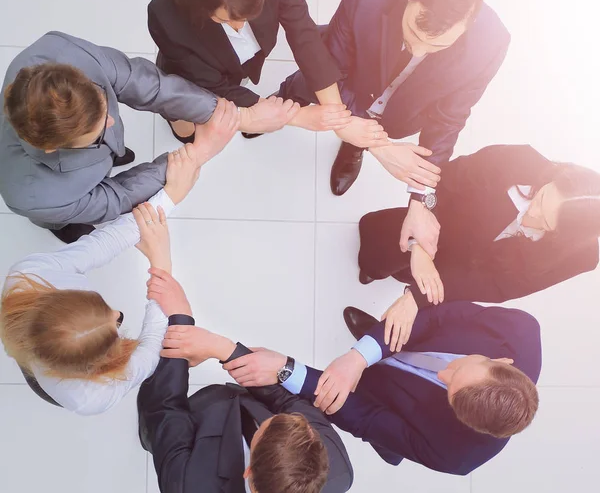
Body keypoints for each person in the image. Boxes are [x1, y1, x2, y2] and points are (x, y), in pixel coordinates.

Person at [0, 31, 297, 243]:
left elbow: (149, 86)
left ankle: (108, 151)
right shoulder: (37, 196)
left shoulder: (63, 53)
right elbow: (118, 196)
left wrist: (238, 116)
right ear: (53, 148)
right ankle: (60, 224)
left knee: (112, 146)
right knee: (61, 217)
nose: (114, 121)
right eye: (99, 130)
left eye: (105, 106)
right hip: (53, 202)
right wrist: (197, 154)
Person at [220, 301, 542, 476]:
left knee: (387, 437)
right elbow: (440, 316)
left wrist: (287, 369)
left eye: (450, 394)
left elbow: (367, 417)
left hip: (395, 417)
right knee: (378, 347)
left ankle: (393, 447)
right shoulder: (522, 330)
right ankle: (378, 345)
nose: (444, 374)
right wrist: (362, 355)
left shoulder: (454, 455)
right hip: (415, 342)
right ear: (502, 360)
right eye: (458, 367)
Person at [280, 0, 510, 201]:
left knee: (361, 132)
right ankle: (283, 98)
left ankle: (354, 146)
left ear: (468, 27)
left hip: (399, 111)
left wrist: (421, 196)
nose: (419, 51)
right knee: (304, 84)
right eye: (413, 33)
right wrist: (381, 147)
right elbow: (332, 68)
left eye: (437, 45)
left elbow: (448, 119)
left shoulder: (490, 46)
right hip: (349, 80)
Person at [0, 145, 200, 415]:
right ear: (103, 361)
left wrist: (170, 198)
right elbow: (151, 349)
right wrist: (162, 264)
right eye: (113, 329)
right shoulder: (92, 396)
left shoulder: (29, 277)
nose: (118, 314)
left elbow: (101, 244)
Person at [357, 144, 600, 350]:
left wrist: (418, 297)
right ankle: (377, 267)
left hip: (464, 273)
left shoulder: (581, 257)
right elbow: (444, 180)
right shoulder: (519, 160)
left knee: (426, 311)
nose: (533, 213)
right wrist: (419, 245)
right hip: (440, 224)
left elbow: (499, 286)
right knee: (376, 256)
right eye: (543, 198)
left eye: (546, 222)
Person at [138, 270, 354, 493]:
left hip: (186, 424)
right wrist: (223, 349)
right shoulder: (336, 468)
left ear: (248, 473)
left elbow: (166, 408)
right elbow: (287, 401)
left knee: (156, 432)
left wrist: (180, 320)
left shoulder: (187, 484)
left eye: (265, 426)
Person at [148, 0, 386, 147]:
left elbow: (302, 31)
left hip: (232, 70)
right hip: (189, 76)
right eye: (223, 19)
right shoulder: (166, 16)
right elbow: (215, 87)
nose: (239, 28)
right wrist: (298, 116)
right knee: (186, 128)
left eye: (245, 16)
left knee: (235, 85)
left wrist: (338, 118)